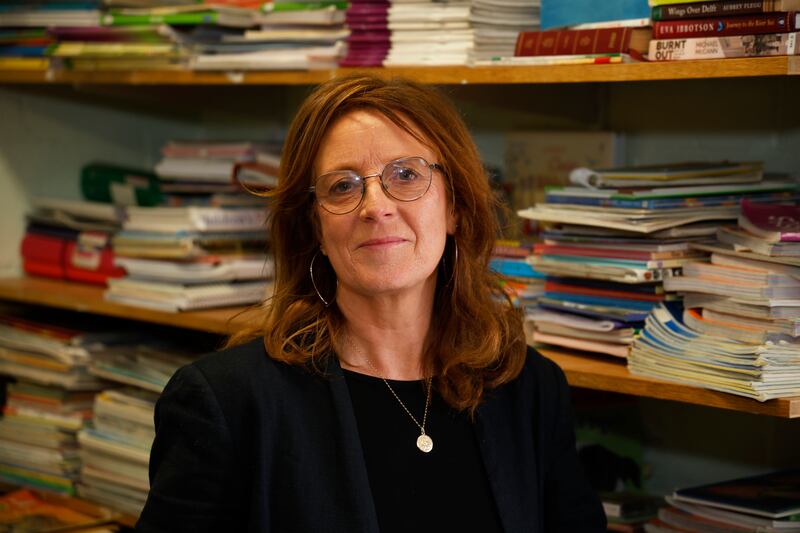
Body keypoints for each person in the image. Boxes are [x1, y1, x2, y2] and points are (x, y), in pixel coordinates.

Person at [136, 75, 606, 533]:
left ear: (455, 208)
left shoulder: (530, 388)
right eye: (343, 185)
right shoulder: (227, 402)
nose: (374, 206)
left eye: (406, 175)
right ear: (315, 228)